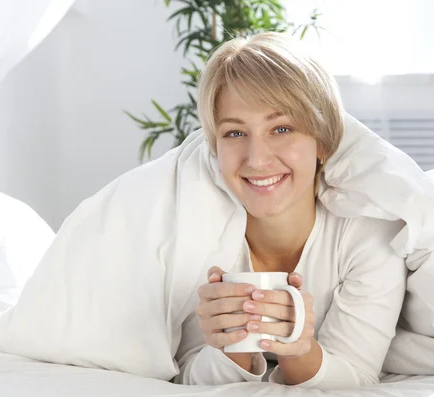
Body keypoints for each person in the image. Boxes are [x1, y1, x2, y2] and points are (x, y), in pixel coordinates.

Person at [172, 32, 408, 391]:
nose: (258, 159)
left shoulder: (369, 235)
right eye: (235, 133)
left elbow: (358, 378)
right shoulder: (195, 229)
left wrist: (297, 349)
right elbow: (184, 375)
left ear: (322, 142)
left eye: (281, 128)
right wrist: (229, 346)